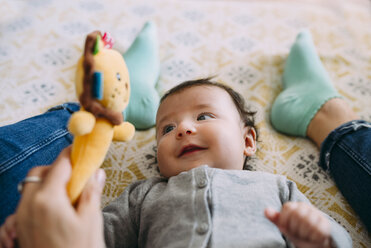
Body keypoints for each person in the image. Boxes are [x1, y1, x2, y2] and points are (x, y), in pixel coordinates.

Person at [0, 30, 365, 247]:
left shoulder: (278, 188)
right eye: (166, 128)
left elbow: (337, 236)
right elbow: (97, 234)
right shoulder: (143, 196)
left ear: (248, 142)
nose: (184, 129)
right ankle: (120, 99)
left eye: (204, 116)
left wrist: (321, 236)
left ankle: (127, 94)